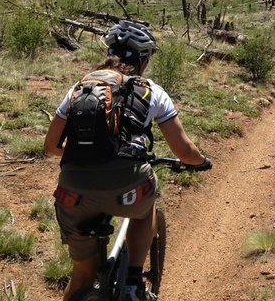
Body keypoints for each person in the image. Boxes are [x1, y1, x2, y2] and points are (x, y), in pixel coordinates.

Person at [44, 20, 211, 301]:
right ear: (142, 59)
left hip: (73, 190)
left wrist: (85, 155)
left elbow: (51, 146)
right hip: (129, 184)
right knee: (146, 206)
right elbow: (183, 151)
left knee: (82, 275)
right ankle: (134, 280)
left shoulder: (79, 87)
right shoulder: (152, 91)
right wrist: (201, 161)